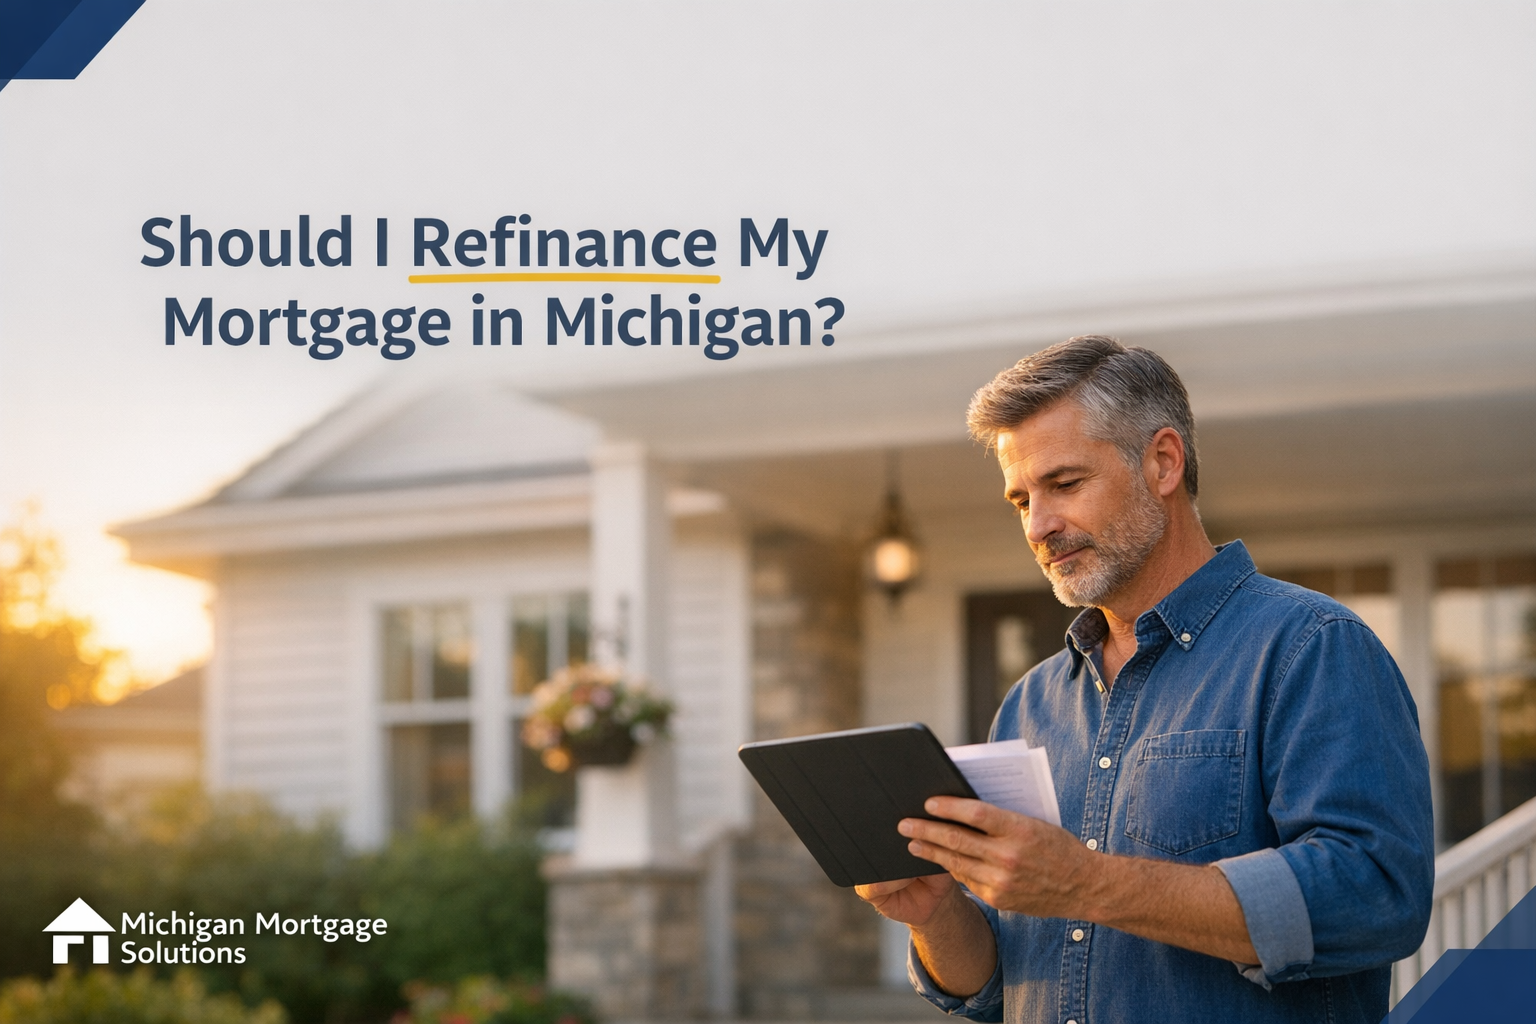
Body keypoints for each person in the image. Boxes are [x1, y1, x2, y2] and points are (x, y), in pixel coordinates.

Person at [855, 336, 1434, 1024]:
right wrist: (936, 912)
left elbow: (1377, 896)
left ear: (1163, 461)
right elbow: (1002, 986)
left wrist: (1085, 884)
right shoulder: (1031, 703)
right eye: (1020, 500)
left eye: (1065, 484)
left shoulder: (1311, 648)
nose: (1039, 526)